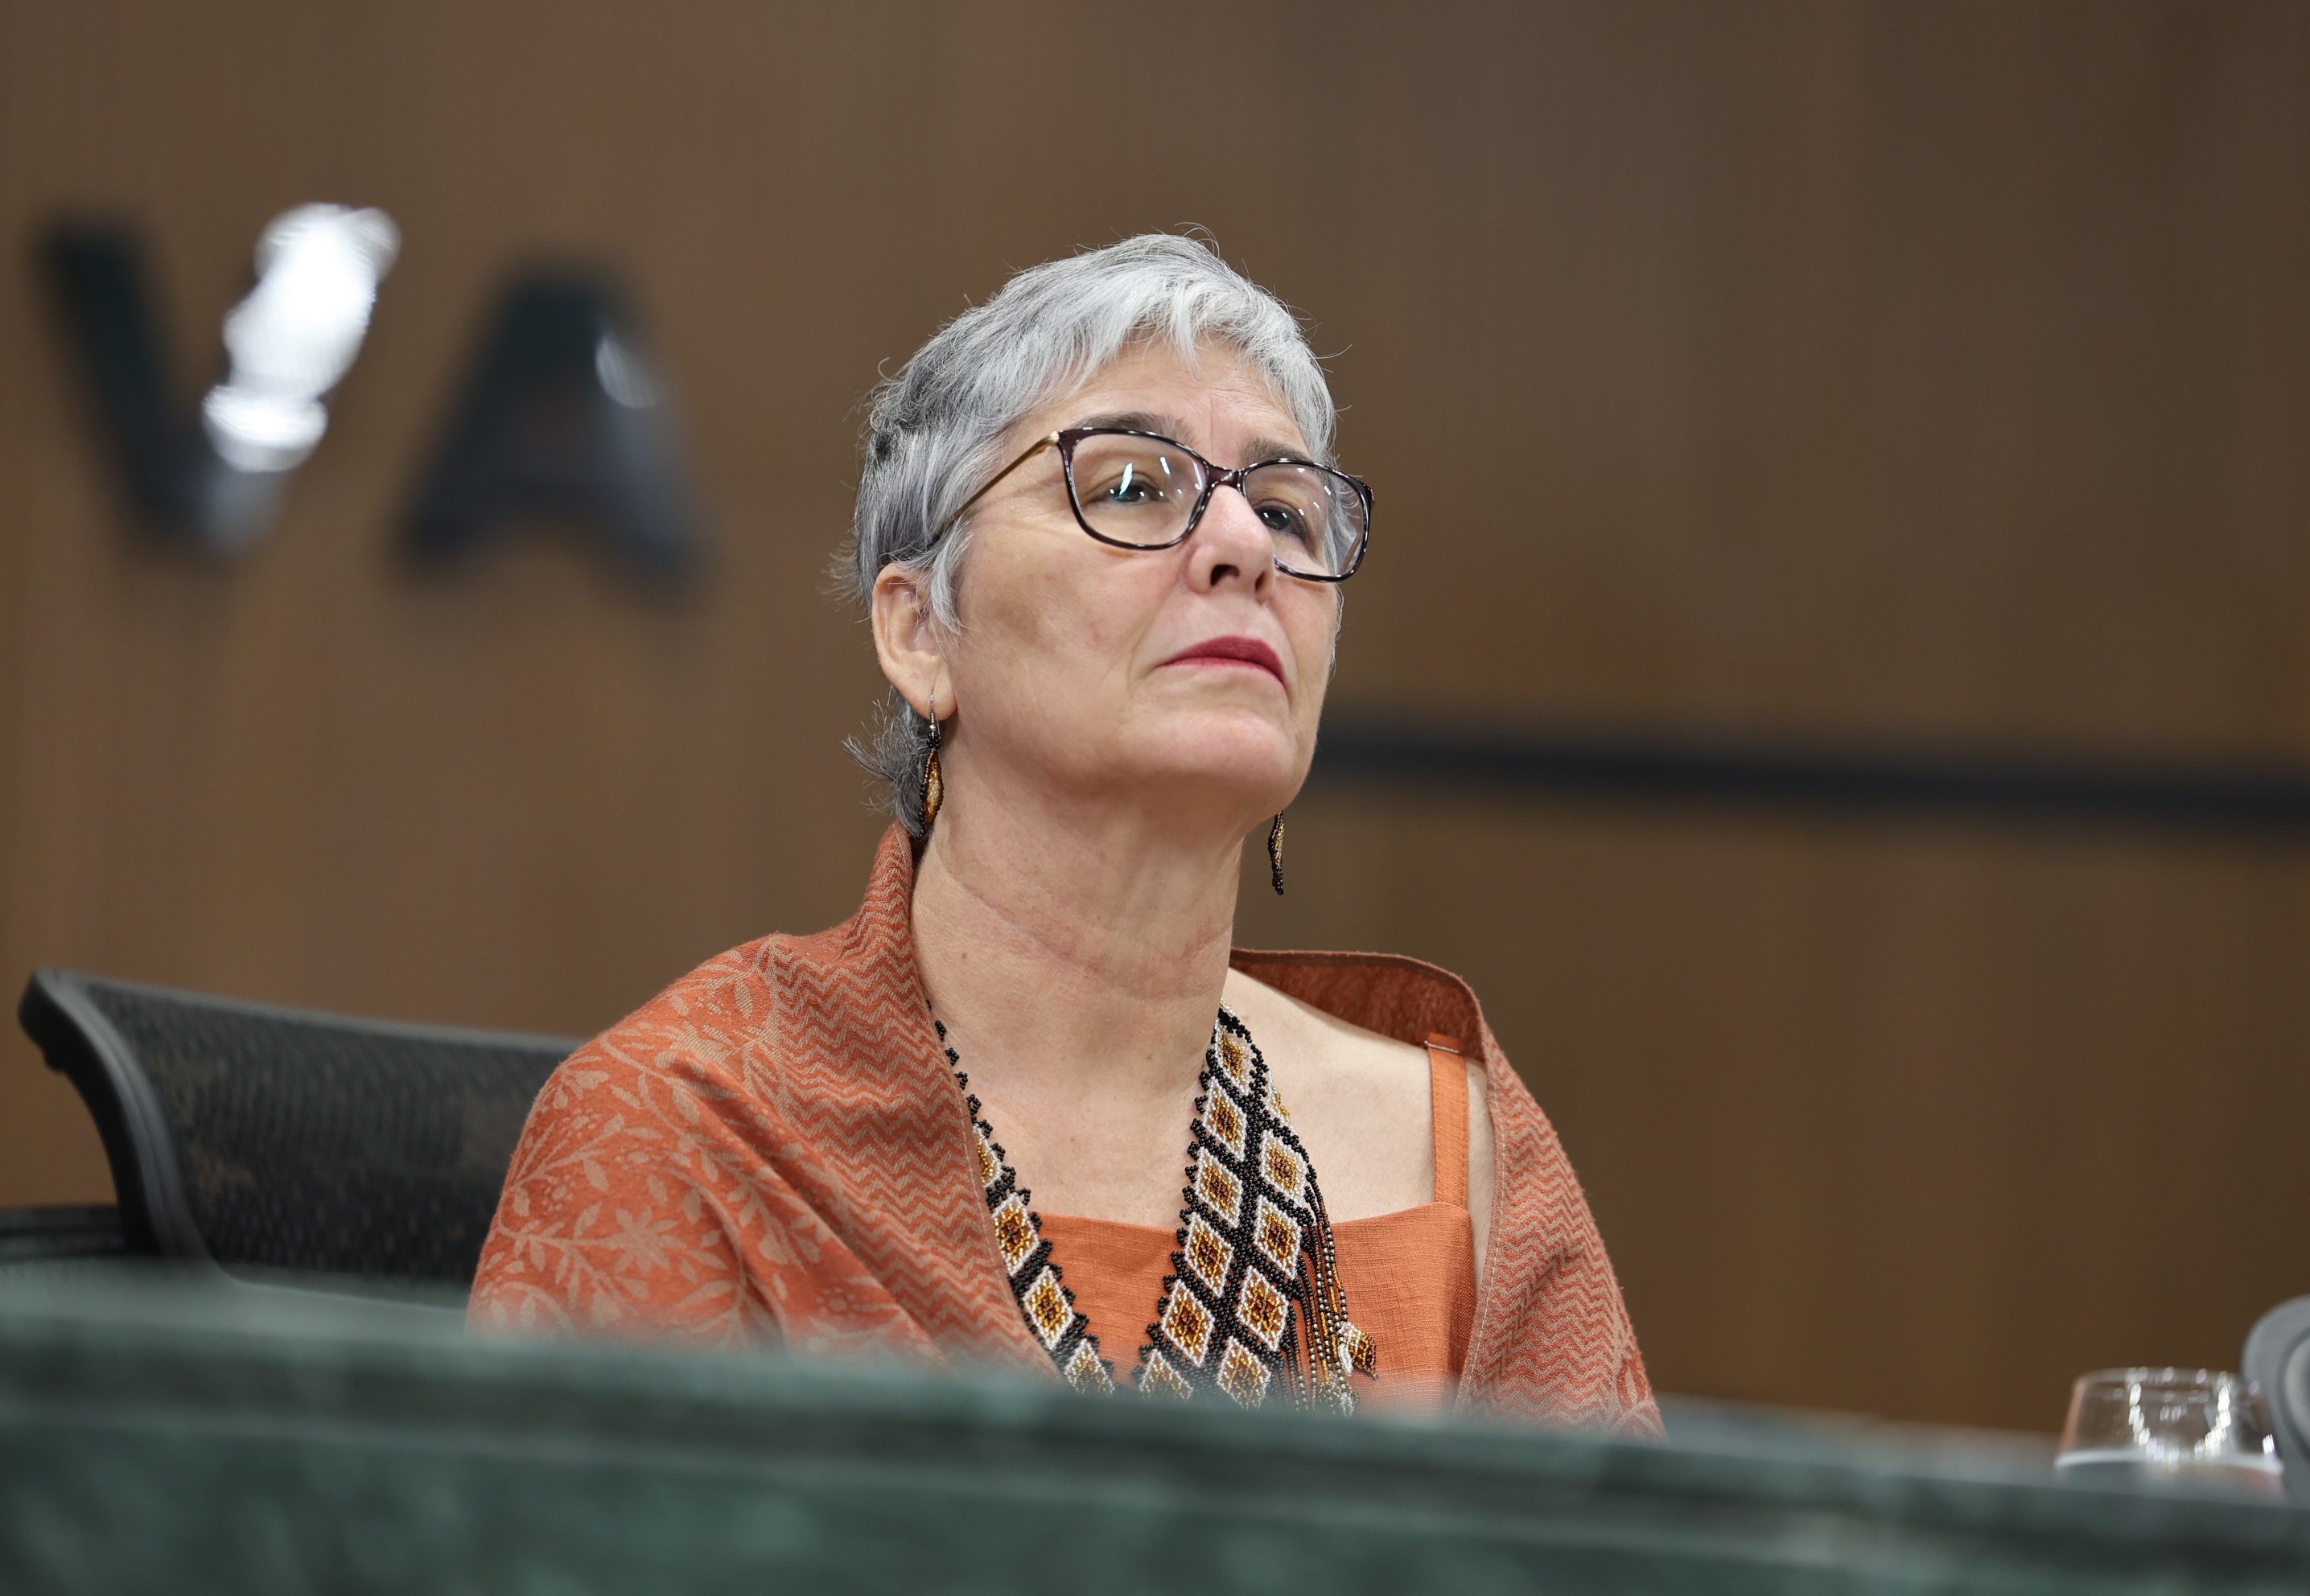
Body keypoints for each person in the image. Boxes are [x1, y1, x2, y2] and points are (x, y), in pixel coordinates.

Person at [469, 235, 1657, 1429]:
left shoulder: (1455, 1159)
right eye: (1134, 486)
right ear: (921, 631)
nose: (1246, 548)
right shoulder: (692, 1131)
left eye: (1288, 512)